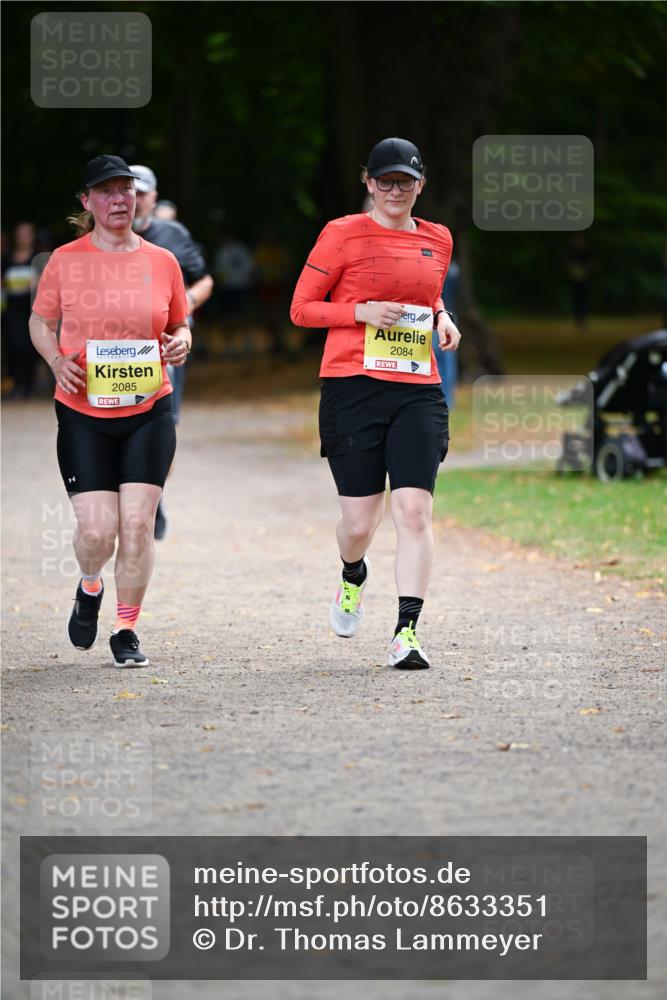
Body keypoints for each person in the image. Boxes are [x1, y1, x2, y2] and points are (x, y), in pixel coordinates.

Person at [290, 138, 460, 669]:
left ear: (420, 185)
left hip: (417, 389)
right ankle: (351, 572)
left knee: (413, 510)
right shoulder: (341, 234)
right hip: (352, 388)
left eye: (404, 182)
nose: (394, 191)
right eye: (384, 181)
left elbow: (426, 291)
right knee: (360, 524)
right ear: (368, 183)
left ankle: (406, 632)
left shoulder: (439, 238)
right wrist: (361, 311)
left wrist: (441, 316)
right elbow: (301, 310)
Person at [29, 155, 191, 667]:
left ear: (139, 198)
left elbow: (181, 324)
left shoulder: (162, 261)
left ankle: (125, 628)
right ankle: (90, 584)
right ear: (87, 202)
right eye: (106, 192)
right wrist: (56, 361)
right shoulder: (64, 260)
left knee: (138, 524)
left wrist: (181, 343)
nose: (119, 199)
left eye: (127, 190)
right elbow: (39, 321)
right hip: (83, 413)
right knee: (98, 531)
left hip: (149, 409)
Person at [130, 164, 213, 538]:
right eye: (127, 191)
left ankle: (154, 495)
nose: (133, 200)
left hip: (165, 342)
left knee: (164, 420)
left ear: (154, 196)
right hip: (116, 345)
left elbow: (204, 278)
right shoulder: (100, 237)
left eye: (141, 192)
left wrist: (185, 304)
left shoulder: (172, 234)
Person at [2, 221, 41, 398]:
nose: (23, 238)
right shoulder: (7, 259)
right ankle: (17, 383)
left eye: (27, 234)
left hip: (33, 310)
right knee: (14, 346)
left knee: (29, 348)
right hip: (12, 311)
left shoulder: (37, 258)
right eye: (20, 234)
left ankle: (28, 384)